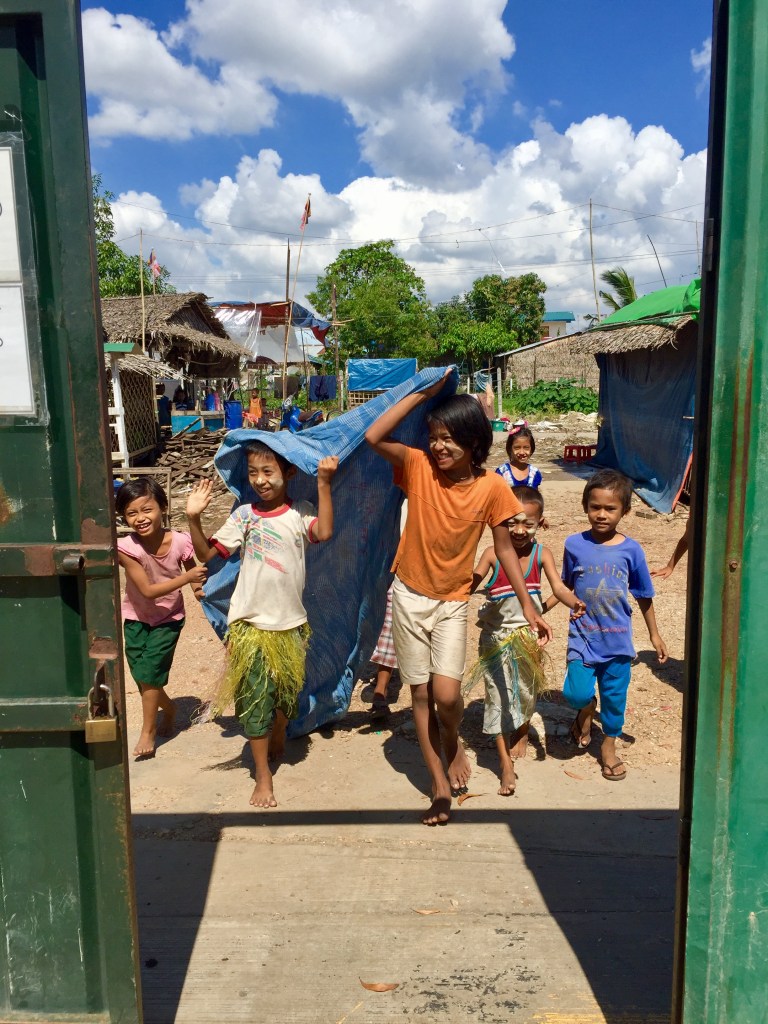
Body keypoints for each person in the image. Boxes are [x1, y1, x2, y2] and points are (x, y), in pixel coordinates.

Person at [365, 370, 552, 825]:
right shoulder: (417, 467)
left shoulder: (492, 488)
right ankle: (439, 785)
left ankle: (453, 742)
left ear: (474, 442)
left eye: (449, 438)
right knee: (422, 693)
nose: (439, 446)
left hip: (452, 602)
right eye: (433, 437)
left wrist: (529, 605)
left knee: (448, 696)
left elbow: (505, 547)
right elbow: (374, 435)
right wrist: (419, 396)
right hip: (408, 596)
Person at [186, 442, 338, 808]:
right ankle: (263, 776)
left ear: (287, 474)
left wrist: (323, 484)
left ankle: (282, 729)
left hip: (291, 628)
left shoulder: (300, 512)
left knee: (285, 697)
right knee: (254, 702)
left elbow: (325, 533)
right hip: (250, 628)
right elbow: (208, 555)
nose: (260, 480)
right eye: (253, 473)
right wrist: (193, 518)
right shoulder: (243, 516)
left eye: (267, 472)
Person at [552, 469, 668, 782]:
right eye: (595, 507)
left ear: (625, 511)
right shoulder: (574, 544)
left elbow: (644, 595)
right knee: (576, 694)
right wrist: (538, 611)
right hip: (584, 637)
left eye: (610, 508)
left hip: (617, 641)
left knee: (615, 700)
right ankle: (585, 710)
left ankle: (609, 746)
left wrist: (655, 634)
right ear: (585, 505)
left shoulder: (631, 551)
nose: (601, 514)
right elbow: (565, 586)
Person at [470, 487, 585, 795]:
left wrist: (573, 602)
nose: (519, 530)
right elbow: (472, 581)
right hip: (495, 640)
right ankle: (504, 764)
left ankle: (521, 728)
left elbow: (558, 588)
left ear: (540, 523)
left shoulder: (541, 554)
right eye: (511, 523)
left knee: (525, 691)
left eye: (528, 524)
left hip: (528, 640)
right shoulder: (492, 554)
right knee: (497, 697)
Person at [115, 478, 207, 759]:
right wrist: (187, 578)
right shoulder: (127, 548)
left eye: (147, 509)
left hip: (168, 619)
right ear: (124, 517)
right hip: (136, 618)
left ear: (163, 508)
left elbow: (194, 575)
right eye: (132, 513)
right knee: (145, 679)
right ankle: (169, 709)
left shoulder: (180, 541)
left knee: (150, 675)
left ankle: (147, 731)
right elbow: (147, 590)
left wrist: (199, 590)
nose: (140, 518)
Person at [496, 423, 543, 489]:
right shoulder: (502, 472)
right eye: (517, 447)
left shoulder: (534, 473)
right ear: (510, 449)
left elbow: (535, 497)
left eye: (526, 447)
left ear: (531, 448)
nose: (521, 452)